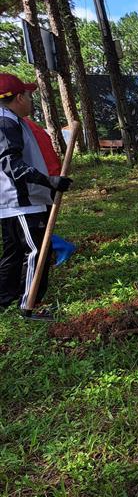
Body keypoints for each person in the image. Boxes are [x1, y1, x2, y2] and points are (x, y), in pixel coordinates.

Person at [0, 73, 72, 321]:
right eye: (29, 95)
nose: (31, 100)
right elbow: (11, 163)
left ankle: (4, 297)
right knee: (37, 251)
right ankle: (28, 306)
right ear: (19, 97)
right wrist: (49, 181)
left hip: (13, 204)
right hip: (22, 202)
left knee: (13, 253)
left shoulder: (12, 120)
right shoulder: (6, 122)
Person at [24, 117, 76, 266]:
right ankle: (57, 248)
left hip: (40, 182)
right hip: (46, 179)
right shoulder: (25, 124)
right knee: (37, 224)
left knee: (34, 226)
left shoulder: (15, 124)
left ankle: (61, 247)